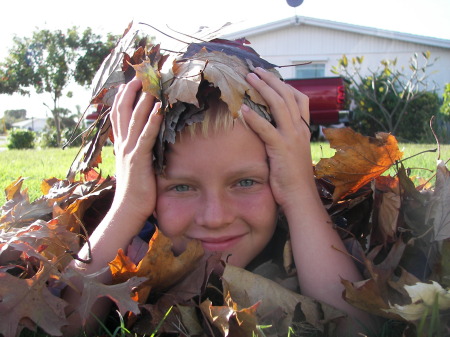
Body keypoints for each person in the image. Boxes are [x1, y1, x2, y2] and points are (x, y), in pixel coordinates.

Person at [65, 64, 375, 335]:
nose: (215, 217)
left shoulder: (305, 245)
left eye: (245, 182)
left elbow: (356, 328)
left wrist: (300, 193)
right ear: (144, 183)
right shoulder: (131, 250)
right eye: (182, 187)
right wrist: (127, 206)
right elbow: (58, 326)